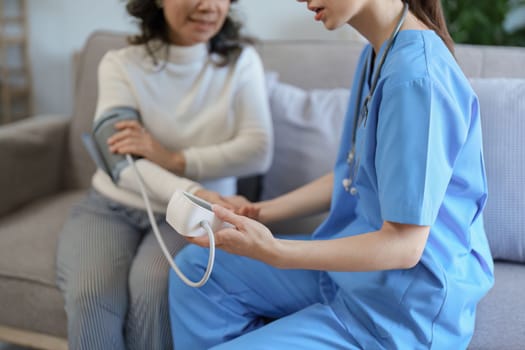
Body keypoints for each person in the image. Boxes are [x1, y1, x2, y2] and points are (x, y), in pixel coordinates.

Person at [168, 0, 495, 348]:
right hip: (354, 274)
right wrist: (257, 212)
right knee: (198, 268)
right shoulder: (378, 53)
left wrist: (275, 251)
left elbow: (404, 246)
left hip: (399, 311)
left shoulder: (416, 80)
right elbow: (352, 173)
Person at [55, 0, 273, 349]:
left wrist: (173, 159)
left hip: (198, 215)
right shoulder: (121, 63)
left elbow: (258, 150)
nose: (207, 6)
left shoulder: (241, 62)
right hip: (113, 206)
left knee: (155, 287)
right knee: (91, 293)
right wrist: (193, 189)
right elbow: (120, 163)